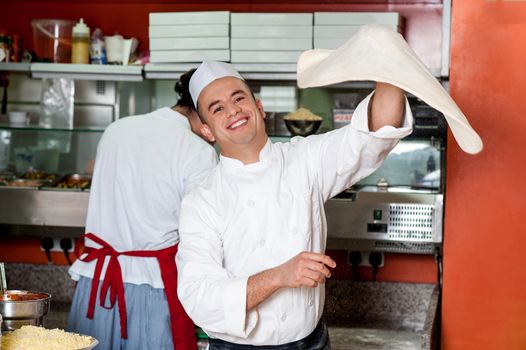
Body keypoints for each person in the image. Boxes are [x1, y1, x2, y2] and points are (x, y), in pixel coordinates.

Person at [175, 60, 413, 349]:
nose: (233, 110)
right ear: (207, 131)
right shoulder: (201, 200)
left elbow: (373, 135)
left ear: (259, 108)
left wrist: (388, 64)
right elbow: (200, 297)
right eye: (218, 108)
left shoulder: (305, 159)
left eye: (239, 98)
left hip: (312, 342)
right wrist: (279, 276)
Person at [67, 70, 218, 350]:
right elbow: (207, 237)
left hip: (94, 284)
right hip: (153, 290)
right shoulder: (198, 151)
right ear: (203, 109)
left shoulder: (117, 128)